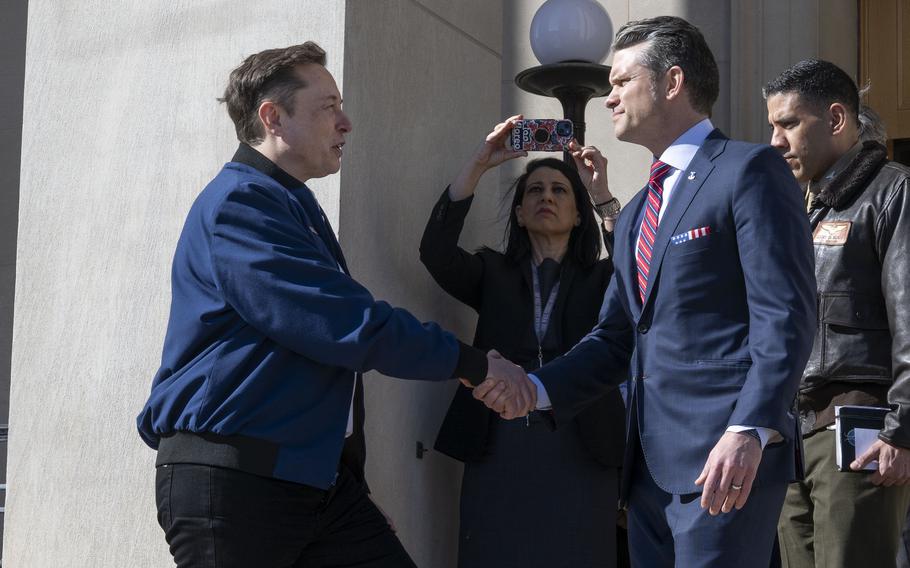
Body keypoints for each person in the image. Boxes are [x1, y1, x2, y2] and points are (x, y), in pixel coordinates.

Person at [135, 42, 533, 568]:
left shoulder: (292, 205)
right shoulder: (241, 203)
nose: (345, 122)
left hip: (314, 486)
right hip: (236, 484)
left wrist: (349, 487)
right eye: (328, 107)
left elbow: (326, 360)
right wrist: (475, 364)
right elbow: (345, 325)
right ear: (272, 117)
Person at [473, 16, 816, 568]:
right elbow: (615, 339)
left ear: (672, 83)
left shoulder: (749, 171)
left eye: (620, 82)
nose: (608, 98)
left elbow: (787, 316)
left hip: (724, 463)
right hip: (644, 477)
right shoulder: (632, 214)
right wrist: (533, 389)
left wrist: (750, 427)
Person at [420, 116, 626, 567]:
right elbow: (434, 252)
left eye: (559, 191)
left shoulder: (601, 280)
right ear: (518, 211)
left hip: (583, 441)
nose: (546, 197)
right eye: (535, 190)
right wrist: (479, 163)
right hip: (499, 441)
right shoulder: (492, 272)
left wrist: (603, 196)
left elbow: (640, 275)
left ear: (577, 216)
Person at [765, 59, 910, 568]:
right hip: (792, 434)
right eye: (772, 127)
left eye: (788, 124)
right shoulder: (802, 210)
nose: (776, 141)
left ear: (835, 119)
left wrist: (902, 429)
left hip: (862, 430)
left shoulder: (894, 190)